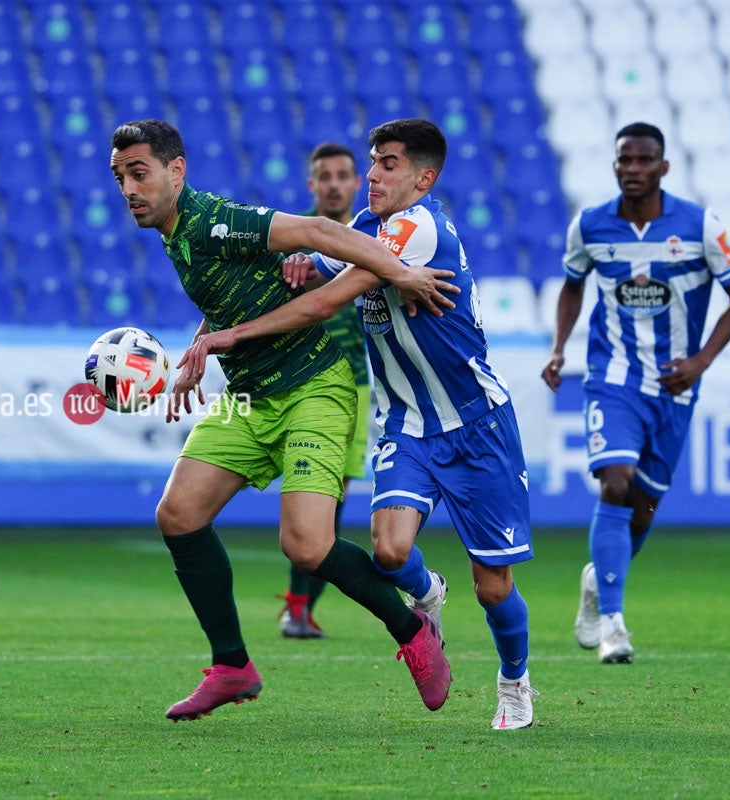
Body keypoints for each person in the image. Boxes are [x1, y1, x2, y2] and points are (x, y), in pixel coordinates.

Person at [176, 119, 538, 730]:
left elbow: (325, 301)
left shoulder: (420, 231)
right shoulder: (367, 229)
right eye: (373, 161)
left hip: (478, 425)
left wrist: (226, 338)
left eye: (387, 164)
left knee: (495, 587)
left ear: (424, 177)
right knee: (391, 551)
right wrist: (299, 260)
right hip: (406, 423)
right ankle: (427, 596)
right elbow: (315, 265)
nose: (372, 174)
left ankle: (513, 681)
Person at [109, 119, 459, 721]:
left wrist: (399, 272)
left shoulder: (216, 219)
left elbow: (322, 230)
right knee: (178, 514)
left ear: (176, 170)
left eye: (139, 173)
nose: (128, 189)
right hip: (248, 394)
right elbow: (226, 296)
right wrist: (198, 352)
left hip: (313, 389)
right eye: (119, 178)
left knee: (305, 545)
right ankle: (232, 667)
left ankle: (411, 630)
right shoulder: (177, 237)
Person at [539, 122, 730, 664]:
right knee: (615, 482)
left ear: (663, 166)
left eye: (643, 160)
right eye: (624, 160)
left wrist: (701, 360)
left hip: (675, 388)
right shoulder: (589, 226)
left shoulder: (701, 226)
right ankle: (613, 623)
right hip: (612, 379)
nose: (632, 169)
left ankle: (596, 582)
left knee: (641, 513)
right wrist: (560, 347)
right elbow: (572, 285)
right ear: (614, 166)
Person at [277, 142, 370, 640]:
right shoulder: (295, 241)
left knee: (333, 501)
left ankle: (301, 607)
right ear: (312, 185)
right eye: (324, 176)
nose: (334, 184)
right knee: (312, 494)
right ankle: (296, 607)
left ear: (357, 183)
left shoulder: (374, 237)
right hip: (301, 381)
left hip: (356, 386)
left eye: (342, 175)